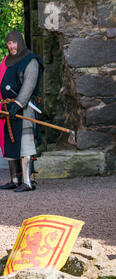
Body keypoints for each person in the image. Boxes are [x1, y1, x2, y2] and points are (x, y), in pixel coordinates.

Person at [0, 30, 43, 192]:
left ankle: (27, 182)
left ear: (20, 41)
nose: (11, 46)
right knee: (11, 141)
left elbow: (29, 85)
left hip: (24, 108)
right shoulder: (7, 62)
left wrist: (17, 104)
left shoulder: (30, 60)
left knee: (25, 142)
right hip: (8, 108)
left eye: (14, 42)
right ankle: (14, 179)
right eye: (9, 43)